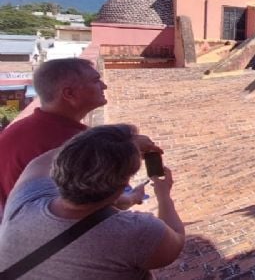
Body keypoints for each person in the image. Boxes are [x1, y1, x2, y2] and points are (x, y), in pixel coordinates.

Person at [0, 124, 185, 278]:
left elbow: (42, 162)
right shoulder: (134, 233)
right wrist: (163, 194)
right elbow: (175, 241)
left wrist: (114, 145)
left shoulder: (27, 199)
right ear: (121, 185)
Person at [0, 59, 146, 218]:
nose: (104, 86)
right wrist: (132, 198)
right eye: (96, 81)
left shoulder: (20, 129)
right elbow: (94, 203)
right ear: (69, 94)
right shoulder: (71, 143)